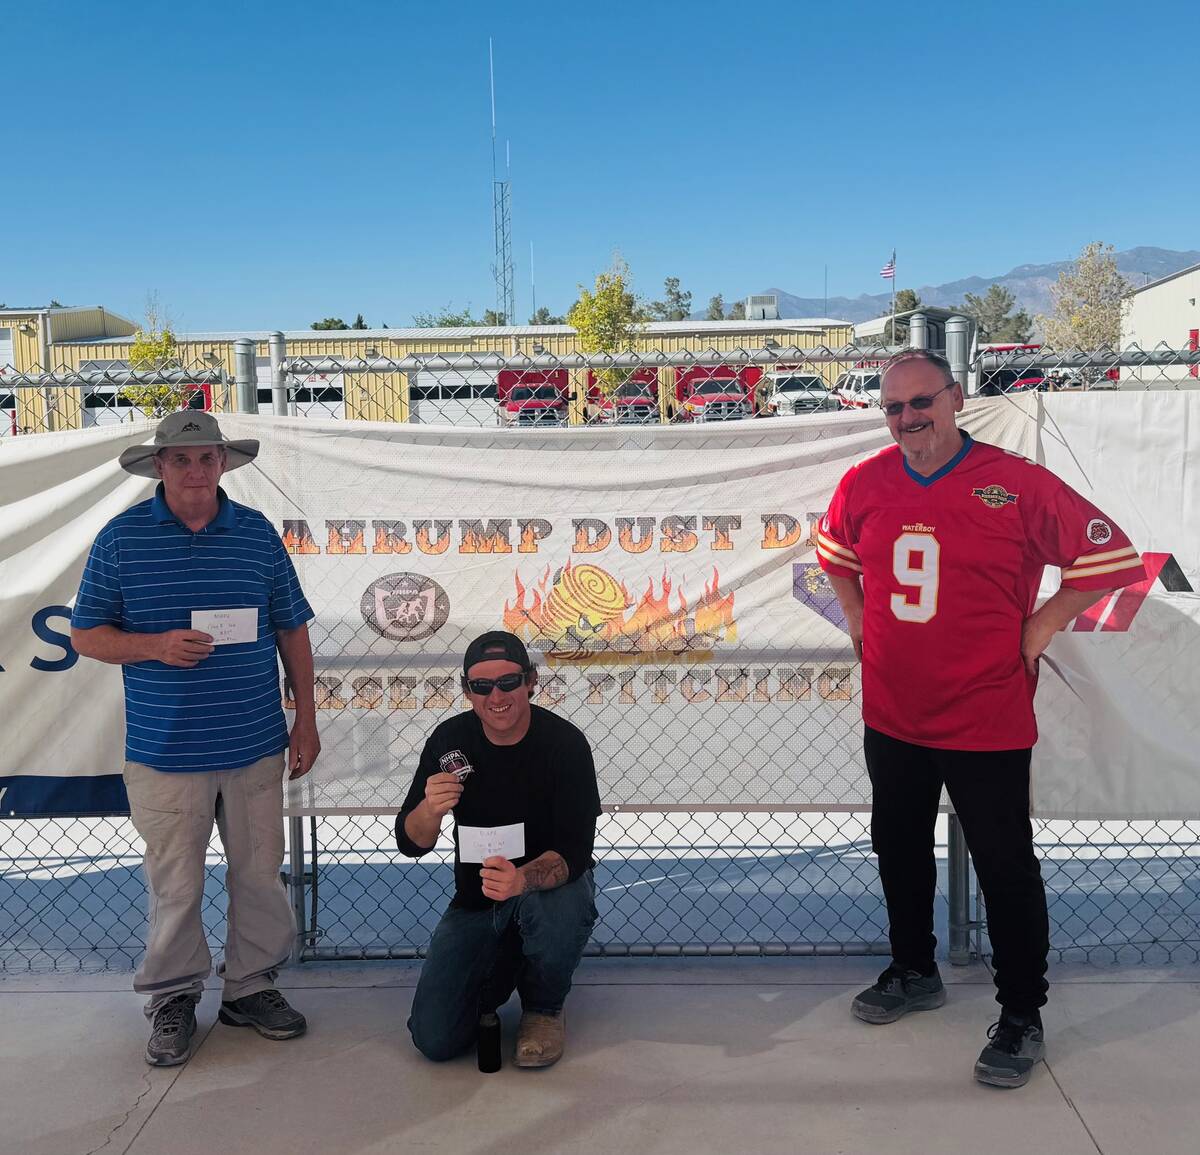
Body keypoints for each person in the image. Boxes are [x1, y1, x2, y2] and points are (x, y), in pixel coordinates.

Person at [817, 349, 1145, 1088]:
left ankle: (1022, 1011)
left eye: (921, 402)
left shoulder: (1014, 482)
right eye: (894, 407)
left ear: (956, 397)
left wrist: (1045, 621)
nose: (908, 419)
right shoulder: (864, 481)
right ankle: (913, 968)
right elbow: (833, 550)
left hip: (986, 714)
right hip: (893, 711)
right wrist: (855, 611)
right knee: (896, 846)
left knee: (1005, 867)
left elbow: (1112, 555)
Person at [71, 410, 320, 1067]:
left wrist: (307, 718)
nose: (194, 469)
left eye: (205, 457)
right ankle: (172, 996)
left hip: (255, 745)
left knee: (259, 877)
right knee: (176, 885)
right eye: (180, 459)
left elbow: (291, 627)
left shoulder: (257, 534)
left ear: (222, 463)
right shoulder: (121, 539)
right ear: (158, 465)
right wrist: (153, 645)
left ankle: (250, 987)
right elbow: (85, 634)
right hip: (165, 752)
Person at [397, 630, 601, 1068]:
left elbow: (577, 849)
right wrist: (429, 810)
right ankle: (506, 965)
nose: (497, 696)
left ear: (530, 681)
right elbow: (411, 842)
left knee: (561, 905)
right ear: (467, 689)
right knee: (434, 1040)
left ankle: (544, 1007)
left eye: (508, 682)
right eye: (482, 686)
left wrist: (522, 879)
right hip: (478, 900)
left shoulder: (564, 744)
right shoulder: (449, 740)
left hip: (543, 891)